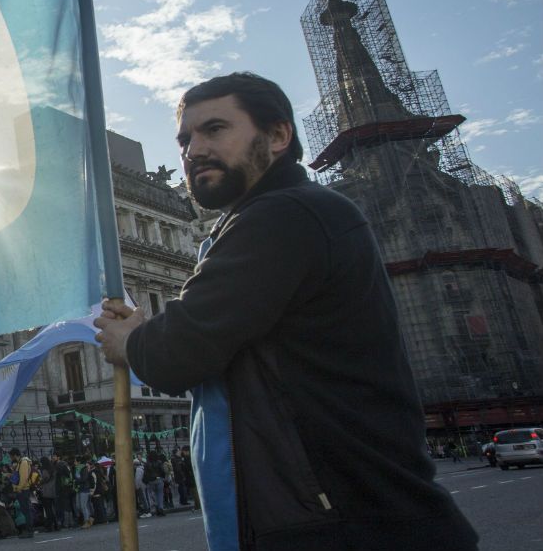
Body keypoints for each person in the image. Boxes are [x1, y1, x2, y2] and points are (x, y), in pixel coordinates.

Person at [94, 72, 479, 550]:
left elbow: (180, 351)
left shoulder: (285, 214)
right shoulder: (277, 215)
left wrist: (130, 339)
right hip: (328, 515)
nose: (193, 149)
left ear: (278, 135)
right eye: (185, 138)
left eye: (215, 129)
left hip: (345, 523)